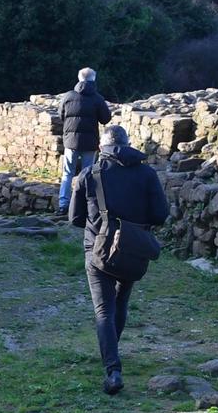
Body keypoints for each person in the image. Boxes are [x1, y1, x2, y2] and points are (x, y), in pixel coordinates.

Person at [67, 124, 170, 395]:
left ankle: (112, 368)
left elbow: (75, 219)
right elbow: (160, 214)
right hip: (132, 248)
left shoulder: (90, 174)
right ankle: (111, 352)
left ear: (102, 147)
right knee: (121, 301)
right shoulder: (147, 173)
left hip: (97, 250)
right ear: (127, 144)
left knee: (104, 310)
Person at [54, 66, 111, 214]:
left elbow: (61, 116)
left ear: (79, 79)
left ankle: (63, 204)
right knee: (88, 174)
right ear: (94, 80)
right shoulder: (97, 98)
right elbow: (106, 119)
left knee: (67, 173)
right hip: (90, 142)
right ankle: (85, 205)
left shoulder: (68, 96)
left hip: (70, 141)